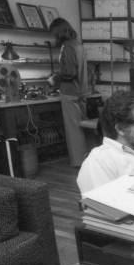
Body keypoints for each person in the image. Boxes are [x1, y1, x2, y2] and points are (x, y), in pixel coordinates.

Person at [48, 17, 88, 167]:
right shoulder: (79, 45)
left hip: (70, 92)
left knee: (73, 130)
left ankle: (79, 161)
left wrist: (55, 78)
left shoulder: (67, 46)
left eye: (54, 34)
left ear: (58, 32)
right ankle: (86, 159)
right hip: (82, 91)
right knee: (82, 128)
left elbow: (70, 73)